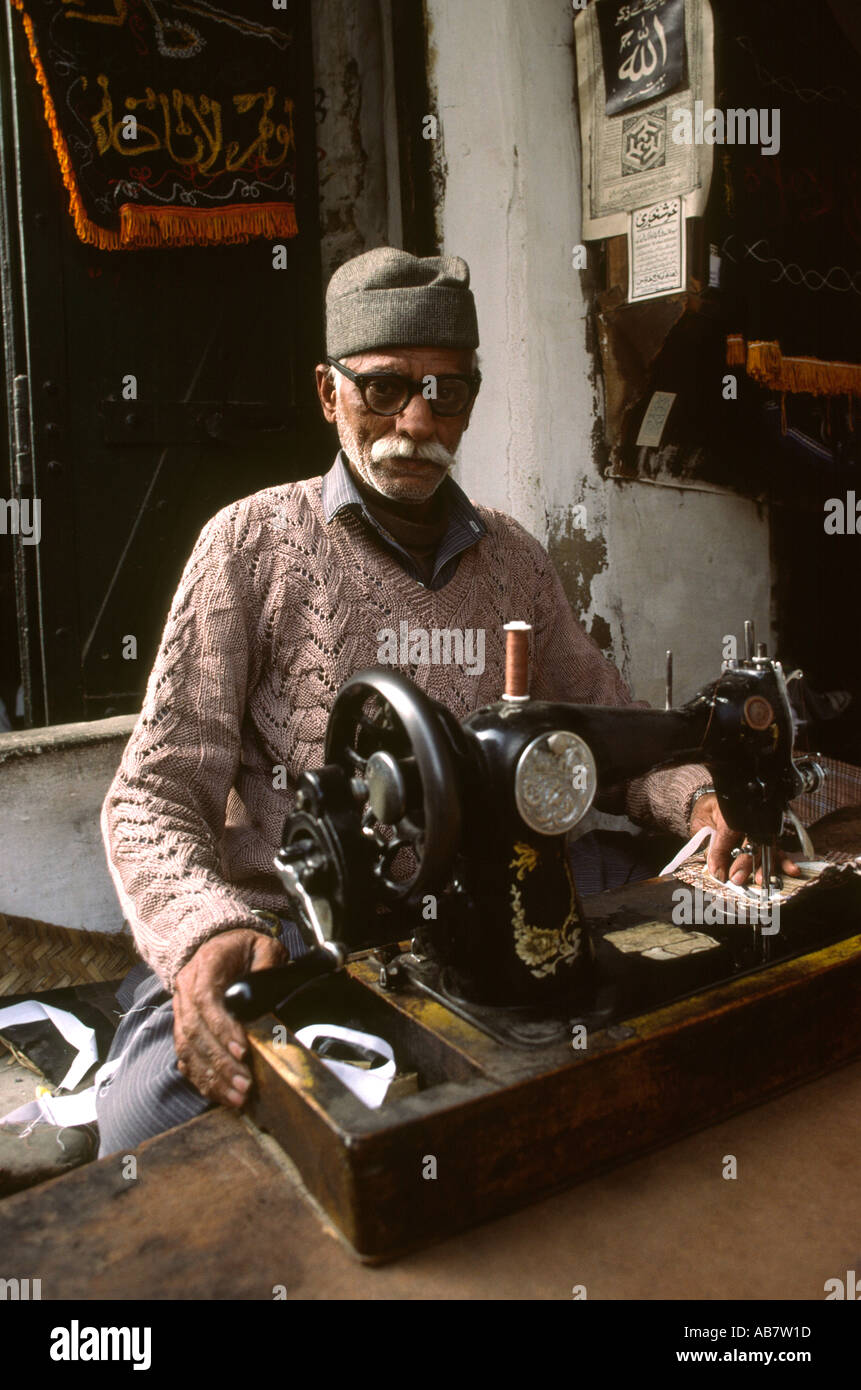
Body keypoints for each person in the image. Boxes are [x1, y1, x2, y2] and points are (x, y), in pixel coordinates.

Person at [96, 248, 793, 1155]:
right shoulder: (249, 544)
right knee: (150, 1117)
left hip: (499, 897)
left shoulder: (512, 559)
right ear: (325, 392)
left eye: (446, 393)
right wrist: (201, 933)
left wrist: (702, 801)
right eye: (384, 389)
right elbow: (152, 799)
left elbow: (619, 745)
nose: (416, 422)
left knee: (721, 968)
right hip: (307, 919)